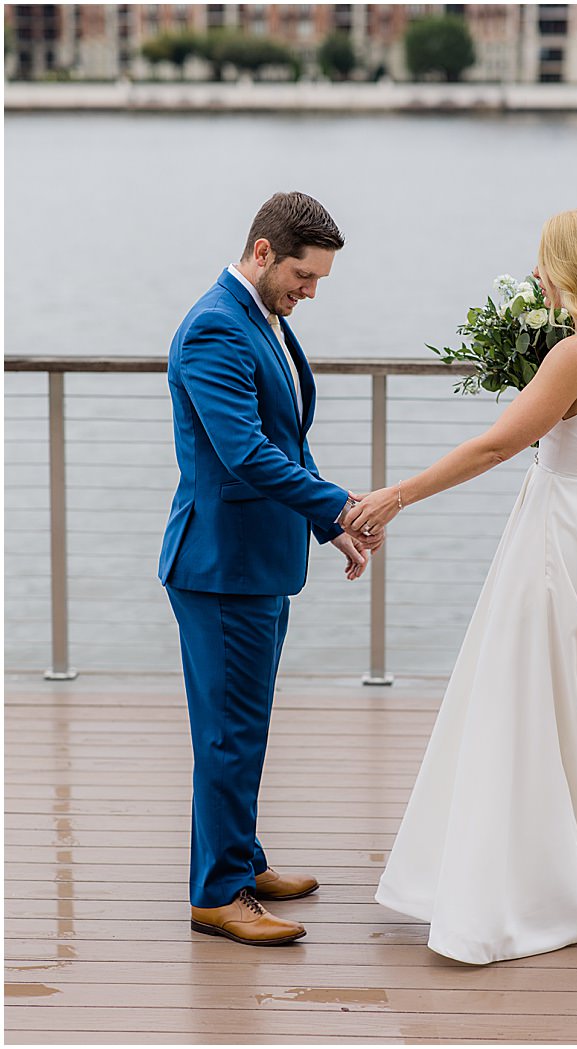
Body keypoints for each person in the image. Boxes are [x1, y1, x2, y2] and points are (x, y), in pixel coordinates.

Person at [348, 205, 577, 964]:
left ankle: (525, 891)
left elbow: (498, 445)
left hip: (558, 540)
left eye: (544, 260)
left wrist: (397, 495)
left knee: (528, 707)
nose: (536, 273)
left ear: (571, 267)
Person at [159, 191, 378, 947]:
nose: (310, 291)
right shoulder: (216, 326)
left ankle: (242, 859)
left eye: (317, 279)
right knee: (228, 734)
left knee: (243, 726)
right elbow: (245, 454)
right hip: (221, 566)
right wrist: (342, 503)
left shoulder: (263, 317)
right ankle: (219, 894)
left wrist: (326, 524)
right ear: (262, 252)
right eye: (303, 275)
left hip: (258, 560)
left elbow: (287, 438)